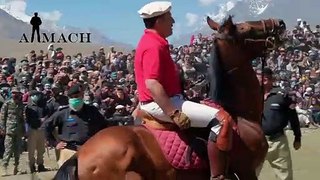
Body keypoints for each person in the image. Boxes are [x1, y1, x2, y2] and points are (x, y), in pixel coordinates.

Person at [135, 1, 234, 179]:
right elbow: (152, 83)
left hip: (166, 99)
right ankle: (218, 176)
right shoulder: (153, 46)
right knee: (222, 120)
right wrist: (173, 113)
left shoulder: (152, 41)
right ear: (159, 21)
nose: (173, 21)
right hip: (162, 103)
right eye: (169, 18)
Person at [42, 83, 109, 167]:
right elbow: (46, 126)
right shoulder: (63, 113)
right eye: (72, 97)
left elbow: (104, 126)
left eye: (77, 96)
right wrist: (54, 143)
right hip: (69, 151)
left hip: (91, 150)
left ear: (82, 96)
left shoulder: (92, 111)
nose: (75, 99)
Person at [256, 68, 302, 180]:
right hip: (256, 141)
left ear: (265, 79)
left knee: (284, 177)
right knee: (248, 174)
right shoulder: (252, 95)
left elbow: (293, 116)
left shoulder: (282, 95)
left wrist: (297, 137)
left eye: (256, 77)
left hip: (278, 142)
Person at [0, 87, 25, 176]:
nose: (15, 94)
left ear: (19, 94)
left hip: (18, 131)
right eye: (13, 93)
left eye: (16, 93)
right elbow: (2, 117)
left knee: (17, 150)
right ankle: (4, 168)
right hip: (9, 130)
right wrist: (2, 129)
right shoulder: (7, 103)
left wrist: (24, 130)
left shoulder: (21, 105)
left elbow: (22, 118)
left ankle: (16, 168)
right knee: (8, 150)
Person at [24, 90, 49, 173]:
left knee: (41, 149)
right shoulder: (29, 107)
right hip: (32, 129)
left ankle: (40, 164)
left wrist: (44, 119)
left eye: (36, 95)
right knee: (31, 149)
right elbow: (27, 119)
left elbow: (48, 115)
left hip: (42, 129)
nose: (35, 96)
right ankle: (32, 166)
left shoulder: (43, 105)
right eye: (33, 95)